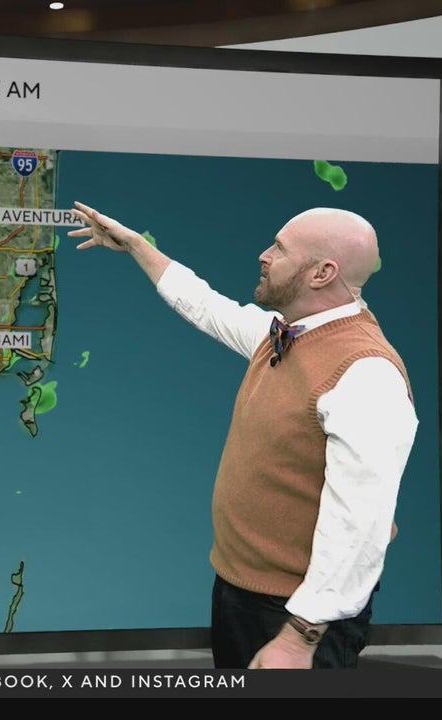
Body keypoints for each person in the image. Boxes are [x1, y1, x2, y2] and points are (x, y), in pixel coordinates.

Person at [68, 201, 418, 670]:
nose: (264, 255)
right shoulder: (289, 335)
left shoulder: (365, 373)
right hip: (243, 593)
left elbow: (361, 527)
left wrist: (299, 638)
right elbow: (206, 305)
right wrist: (136, 246)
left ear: (322, 273)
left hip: (296, 615)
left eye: (280, 248)